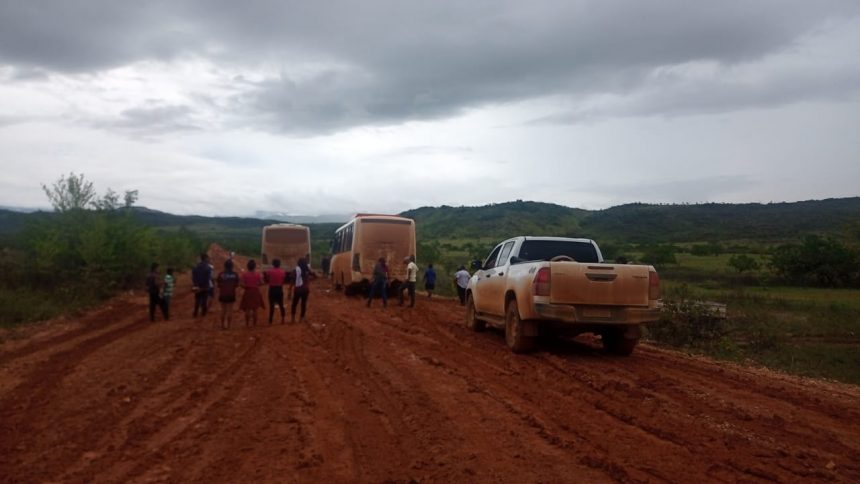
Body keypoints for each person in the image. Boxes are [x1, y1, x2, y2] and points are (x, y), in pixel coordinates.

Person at [240, 259, 265, 327]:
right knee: (255, 309)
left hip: (248, 291)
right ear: (254, 266)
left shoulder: (244, 274)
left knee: (247, 309)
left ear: (248, 266)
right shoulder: (257, 274)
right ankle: (254, 324)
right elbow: (262, 283)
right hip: (255, 291)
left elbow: (241, 284)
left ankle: (247, 324)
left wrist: (247, 286)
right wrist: (256, 285)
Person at [217, 259, 240, 330]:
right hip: (231, 294)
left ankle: (222, 325)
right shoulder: (235, 275)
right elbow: (236, 285)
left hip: (223, 294)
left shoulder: (221, 274)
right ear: (232, 266)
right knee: (230, 310)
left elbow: (218, 285)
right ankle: (229, 326)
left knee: (223, 310)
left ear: (225, 266)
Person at [291, 257, 314, 322]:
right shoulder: (307, 270)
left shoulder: (295, 270)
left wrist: (290, 289)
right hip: (305, 289)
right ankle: (301, 318)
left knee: (294, 304)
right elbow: (315, 275)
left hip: (297, 289)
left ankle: (293, 318)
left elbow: (292, 280)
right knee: (303, 304)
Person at [265, 258, 287, 324]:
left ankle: (270, 320)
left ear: (273, 264)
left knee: (271, 305)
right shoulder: (282, 272)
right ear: (279, 264)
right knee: (281, 304)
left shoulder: (269, 271)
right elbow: (283, 280)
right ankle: (283, 319)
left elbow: (267, 279)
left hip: (272, 289)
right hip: (279, 289)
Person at [192, 253, 212, 317]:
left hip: (197, 285)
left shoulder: (196, 267)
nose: (208, 259)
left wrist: (195, 284)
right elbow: (208, 278)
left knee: (197, 300)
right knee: (204, 300)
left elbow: (193, 277)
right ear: (205, 258)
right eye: (207, 258)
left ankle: (195, 313)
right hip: (205, 286)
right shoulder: (208, 268)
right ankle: (203, 313)